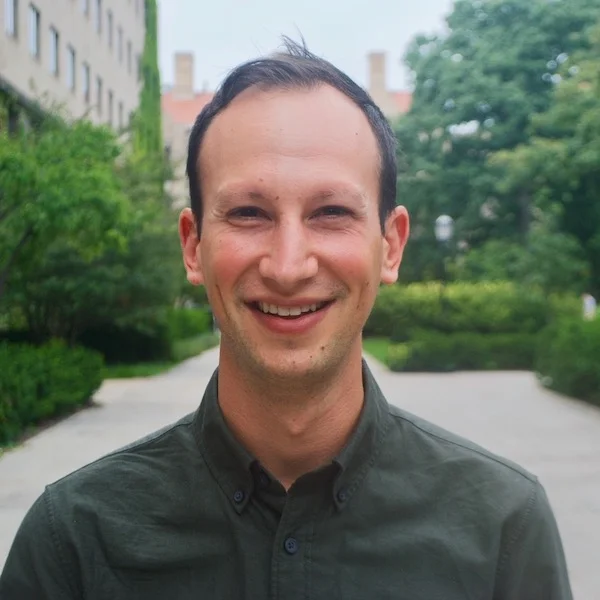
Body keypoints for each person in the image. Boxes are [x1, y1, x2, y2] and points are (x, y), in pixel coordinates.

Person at [0, 39, 572, 599]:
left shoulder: (503, 529)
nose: (289, 265)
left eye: (331, 212)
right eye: (249, 213)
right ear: (193, 246)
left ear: (391, 246)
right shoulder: (73, 541)